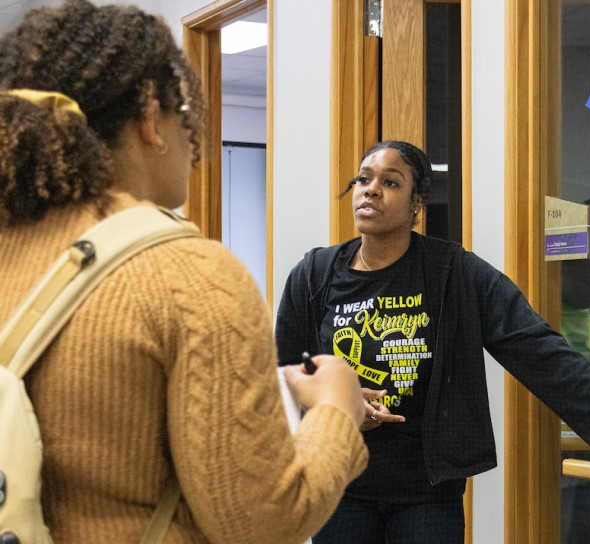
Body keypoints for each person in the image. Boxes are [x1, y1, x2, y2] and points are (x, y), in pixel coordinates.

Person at [0, 1, 367, 542]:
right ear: (151, 117)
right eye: (188, 115)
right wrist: (337, 408)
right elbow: (262, 521)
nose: (196, 142)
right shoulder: (192, 276)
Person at [275, 140, 590, 543]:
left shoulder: (454, 274)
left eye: (390, 182)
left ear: (416, 205)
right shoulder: (315, 275)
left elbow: (535, 346)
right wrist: (340, 402)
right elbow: (281, 375)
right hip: (342, 480)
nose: (370, 190)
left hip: (428, 492)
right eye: (364, 179)